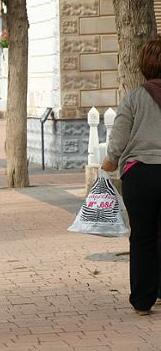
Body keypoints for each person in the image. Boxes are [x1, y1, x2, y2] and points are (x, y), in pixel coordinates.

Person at [102, 38, 161, 316]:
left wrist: (110, 161)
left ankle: (142, 300)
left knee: (142, 237)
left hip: (140, 175)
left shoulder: (135, 98)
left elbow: (119, 136)